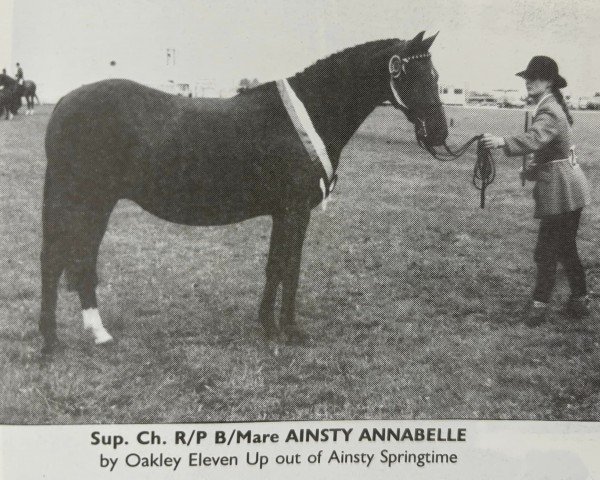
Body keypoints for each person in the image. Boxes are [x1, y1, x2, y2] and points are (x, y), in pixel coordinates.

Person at [482, 56, 591, 326]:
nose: (529, 81)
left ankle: (540, 305)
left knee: (546, 250)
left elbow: (536, 138)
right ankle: (580, 299)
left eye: (536, 77)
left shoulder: (550, 110)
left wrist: (501, 141)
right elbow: (552, 152)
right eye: (527, 77)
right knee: (565, 247)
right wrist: (531, 170)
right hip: (569, 188)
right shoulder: (551, 106)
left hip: (561, 191)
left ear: (550, 81)